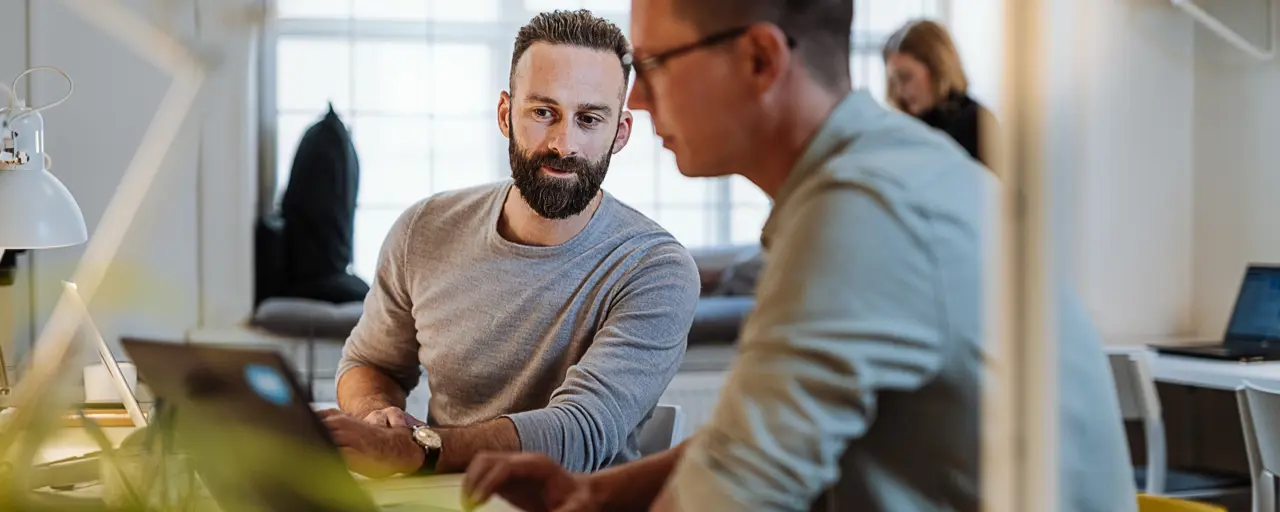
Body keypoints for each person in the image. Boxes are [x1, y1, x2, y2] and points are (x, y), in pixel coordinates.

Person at [462, 0, 1137, 511]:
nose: (635, 98)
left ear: (759, 60)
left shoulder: (866, 211)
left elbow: (734, 494)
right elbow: (744, 441)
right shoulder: (877, 172)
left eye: (657, 64)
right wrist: (593, 495)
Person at [321, 9, 701, 479]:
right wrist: (373, 415)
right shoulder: (423, 229)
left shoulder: (655, 268)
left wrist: (413, 449)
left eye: (589, 119)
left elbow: (579, 432)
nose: (564, 144)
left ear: (619, 132)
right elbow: (370, 362)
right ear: (506, 114)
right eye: (543, 113)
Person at [883, 19, 996, 167]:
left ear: (938, 69)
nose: (899, 90)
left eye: (906, 77)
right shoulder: (905, 128)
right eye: (893, 81)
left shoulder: (976, 124)